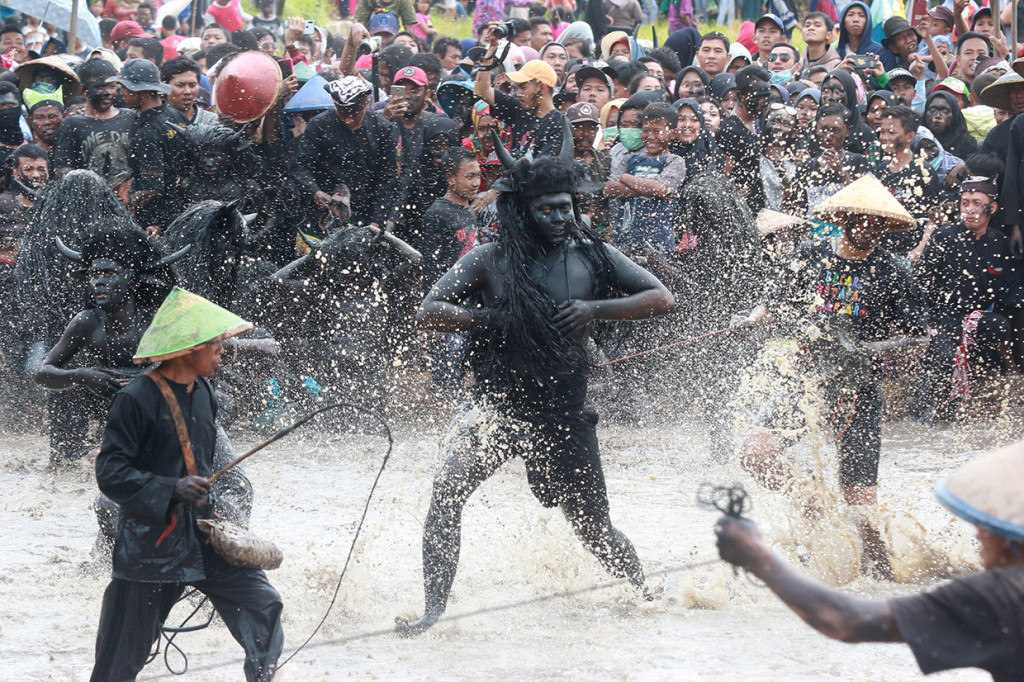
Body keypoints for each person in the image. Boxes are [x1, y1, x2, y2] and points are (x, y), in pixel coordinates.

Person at [395, 142, 675, 636]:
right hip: (497, 408)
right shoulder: (490, 259)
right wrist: (493, 319)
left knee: (593, 527)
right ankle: (432, 612)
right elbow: (428, 311)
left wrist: (594, 310)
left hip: (564, 414)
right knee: (446, 494)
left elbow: (661, 297)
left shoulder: (591, 255)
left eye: (565, 207)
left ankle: (646, 597)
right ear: (523, 211)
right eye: (546, 209)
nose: (559, 217)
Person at [734, 174, 928, 581]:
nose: (870, 229)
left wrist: (868, 349)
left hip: (859, 390)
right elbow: (772, 305)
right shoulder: (810, 255)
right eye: (863, 220)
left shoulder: (894, 270)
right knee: (755, 453)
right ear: (844, 218)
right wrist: (750, 320)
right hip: (808, 384)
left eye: (878, 223)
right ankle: (812, 503)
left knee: (862, 510)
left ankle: (887, 582)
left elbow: (918, 337)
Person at [90, 286, 283, 681]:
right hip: (151, 547)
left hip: (201, 537)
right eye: (214, 343)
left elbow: (204, 463)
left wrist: (210, 509)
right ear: (187, 349)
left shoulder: (205, 393)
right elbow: (110, 474)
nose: (222, 350)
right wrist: (171, 489)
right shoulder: (135, 399)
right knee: (121, 654)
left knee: (263, 604)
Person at [715, 438, 1024, 680]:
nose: (977, 533)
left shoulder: (999, 595)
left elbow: (845, 620)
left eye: (985, 521)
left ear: (1010, 533)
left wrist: (757, 555)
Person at [912, 175, 1024, 422]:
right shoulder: (944, 237)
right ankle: (927, 415)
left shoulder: (999, 242)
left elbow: (1010, 289)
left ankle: (977, 390)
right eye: (965, 203)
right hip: (941, 316)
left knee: (999, 325)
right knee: (943, 357)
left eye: (977, 204)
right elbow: (921, 281)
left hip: (974, 318)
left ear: (992, 208)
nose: (970, 210)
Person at [292, 76, 400, 228]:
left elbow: (387, 178)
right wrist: (315, 191)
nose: (348, 120)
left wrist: (377, 220)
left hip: (366, 212)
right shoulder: (319, 125)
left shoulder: (383, 129)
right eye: (342, 113)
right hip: (323, 211)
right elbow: (300, 166)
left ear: (366, 104)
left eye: (354, 114)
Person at [113, 59, 189, 232]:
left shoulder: (147, 132)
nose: (121, 92)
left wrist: (125, 203)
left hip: (155, 220)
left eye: (125, 88)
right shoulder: (176, 115)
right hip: (182, 210)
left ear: (140, 91)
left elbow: (153, 189)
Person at [604, 102, 686, 253]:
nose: (650, 136)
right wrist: (648, 189)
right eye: (646, 130)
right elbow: (609, 189)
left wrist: (626, 178)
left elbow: (661, 189)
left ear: (673, 133)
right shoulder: (630, 159)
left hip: (658, 241)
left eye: (657, 131)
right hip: (625, 236)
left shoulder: (675, 161)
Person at [475, 29, 567, 158]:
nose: (518, 93)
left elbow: (544, 169)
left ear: (542, 87)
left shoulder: (559, 125)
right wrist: (490, 53)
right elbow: (481, 90)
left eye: (523, 87)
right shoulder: (519, 110)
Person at [873, 105, 939, 255]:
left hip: (910, 249)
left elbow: (933, 216)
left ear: (910, 136)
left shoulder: (923, 171)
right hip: (883, 249)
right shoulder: (882, 169)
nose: (884, 137)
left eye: (891, 132)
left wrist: (920, 248)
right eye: (882, 132)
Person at [53, 59, 136, 175]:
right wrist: (86, 181)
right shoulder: (72, 124)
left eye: (112, 86)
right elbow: (61, 167)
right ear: (83, 90)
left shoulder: (130, 117)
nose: (107, 92)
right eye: (100, 87)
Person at [717, 65, 771, 212]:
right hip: (740, 210)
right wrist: (733, 194)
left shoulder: (757, 122)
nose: (763, 101)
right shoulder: (731, 130)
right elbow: (724, 175)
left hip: (758, 206)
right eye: (758, 96)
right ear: (741, 95)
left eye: (766, 96)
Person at [161, 56, 219, 127]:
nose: (188, 91)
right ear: (164, 87)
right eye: (180, 85)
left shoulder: (212, 122)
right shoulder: (155, 122)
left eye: (192, 85)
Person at [23, 89, 64, 162]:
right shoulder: (26, 156)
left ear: (64, 116)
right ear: (31, 121)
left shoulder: (78, 148)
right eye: (39, 118)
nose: (47, 122)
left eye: (52, 116)